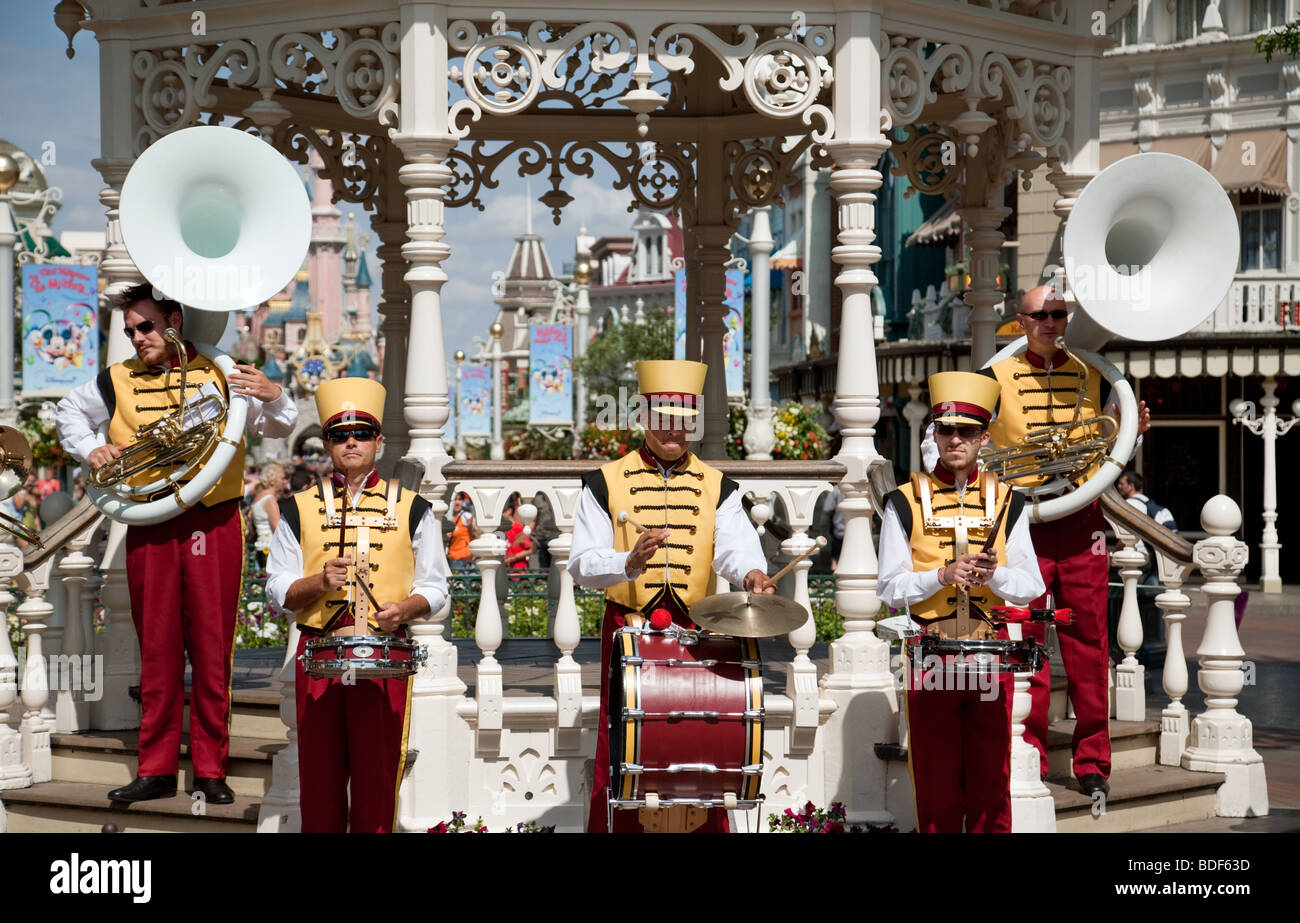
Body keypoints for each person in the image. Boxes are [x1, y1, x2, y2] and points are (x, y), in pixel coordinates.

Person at [55, 281, 296, 804]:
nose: (136, 338)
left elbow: (277, 422)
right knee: (157, 647)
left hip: (213, 519)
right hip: (150, 520)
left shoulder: (220, 373)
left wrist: (276, 395)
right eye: (130, 331)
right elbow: (67, 414)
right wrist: (94, 449)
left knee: (212, 648)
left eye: (144, 327)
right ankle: (157, 767)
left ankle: (211, 769)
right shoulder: (115, 379)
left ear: (173, 322)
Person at [569, 359, 774, 833]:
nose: (674, 429)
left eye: (684, 418)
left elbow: (737, 548)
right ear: (643, 415)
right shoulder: (605, 481)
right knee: (621, 741)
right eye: (664, 416)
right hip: (628, 630)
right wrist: (628, 562)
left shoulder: (718, 486)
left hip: (698, 633)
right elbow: (581, 563)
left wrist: (753, 576)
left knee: (704, 738)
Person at [977, 284, 1151, 798]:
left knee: (1089, 640)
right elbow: (950, 436)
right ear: (1021, 321)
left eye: (1059, 313)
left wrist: (1130, 433)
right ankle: (1027, 749)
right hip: (1023, 522)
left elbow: (1108, 444)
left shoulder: (1094, 373)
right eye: (1041, 315)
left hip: (1080, 518)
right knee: (1025, 636)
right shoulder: (994, 377)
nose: (1051, 322)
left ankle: (1093, 759)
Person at [264, 377, 448, 833]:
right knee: (320, 783)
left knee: (377, 779)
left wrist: (404, 610)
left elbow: (438, 588)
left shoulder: (414, 509)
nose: (351, 442)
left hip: (384, 661)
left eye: (362, 433)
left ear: (379, 442)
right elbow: (275, 590)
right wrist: (317, 582)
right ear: (326, 442)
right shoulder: (296, 509)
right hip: (317, 658)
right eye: (340, 434)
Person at [877, 371, 1045, 833]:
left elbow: (1031, 585)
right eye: (946, 429)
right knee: (935, 779)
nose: (956, 439)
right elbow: (889, 587)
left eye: (967, 431)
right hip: (930, 656)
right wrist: (940, 576)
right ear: (934, 432)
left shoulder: (1010, 501)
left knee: (993, 780)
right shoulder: (903, 502)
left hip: (991, 653)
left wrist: (998, 574)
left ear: (983, 437)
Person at [249, 461, 288, 570]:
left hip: (260, 544)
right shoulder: (270, 499)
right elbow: (278, 528)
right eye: (282, 478)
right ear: (272, 481)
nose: (284, 482)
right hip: (269, 547)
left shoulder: (259, 496)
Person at [446, 491, 478, 572]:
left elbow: (476, 532)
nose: (457, 502)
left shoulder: (466, 516)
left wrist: (471, 525)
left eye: (460, 499)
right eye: (455, 499)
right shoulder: (448, 518)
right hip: (453, 559)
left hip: (465, 560)